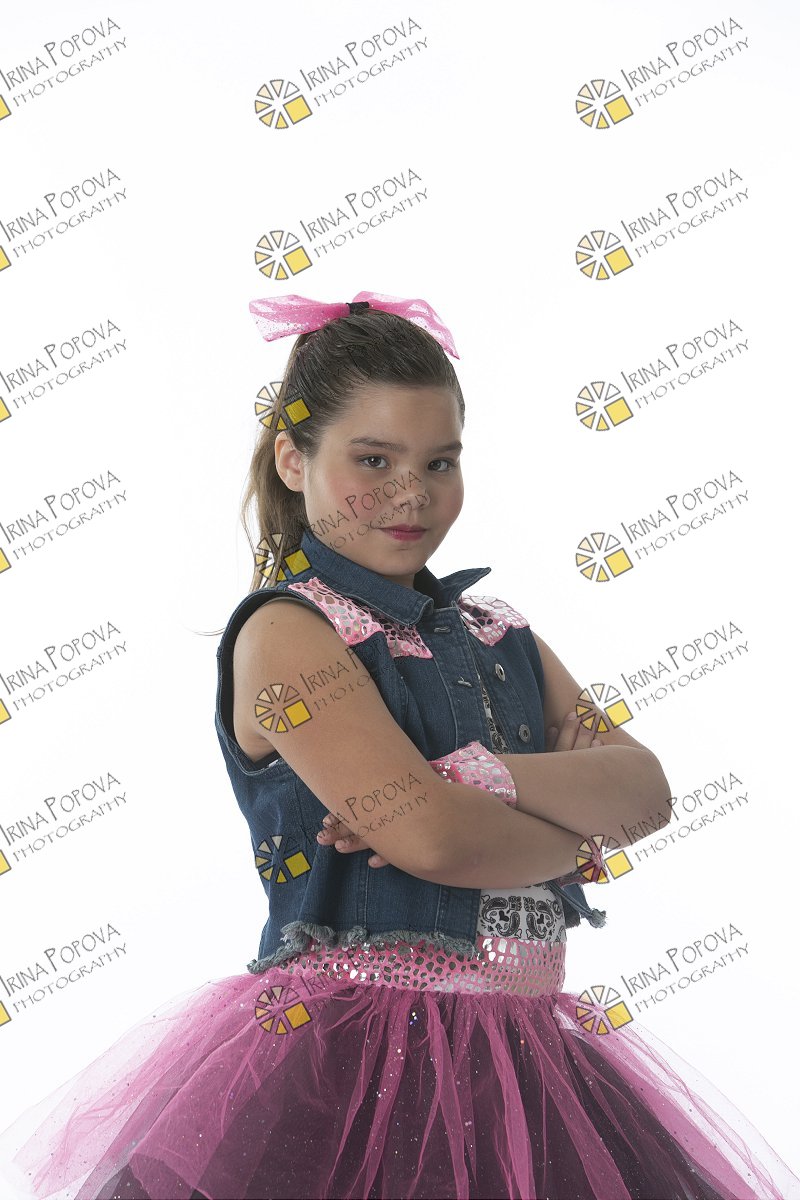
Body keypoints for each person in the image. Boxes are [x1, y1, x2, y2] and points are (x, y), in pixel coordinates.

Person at [0, 292, 798, 1200]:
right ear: (294, 460)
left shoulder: (502, 635)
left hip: (527, 1067)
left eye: (440, 461)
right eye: (373, 460)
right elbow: (435, 841)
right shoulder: (290, 634)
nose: (411, 492)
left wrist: (470, 778)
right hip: (342, 1065)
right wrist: (570, 833)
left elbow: (646, 794)